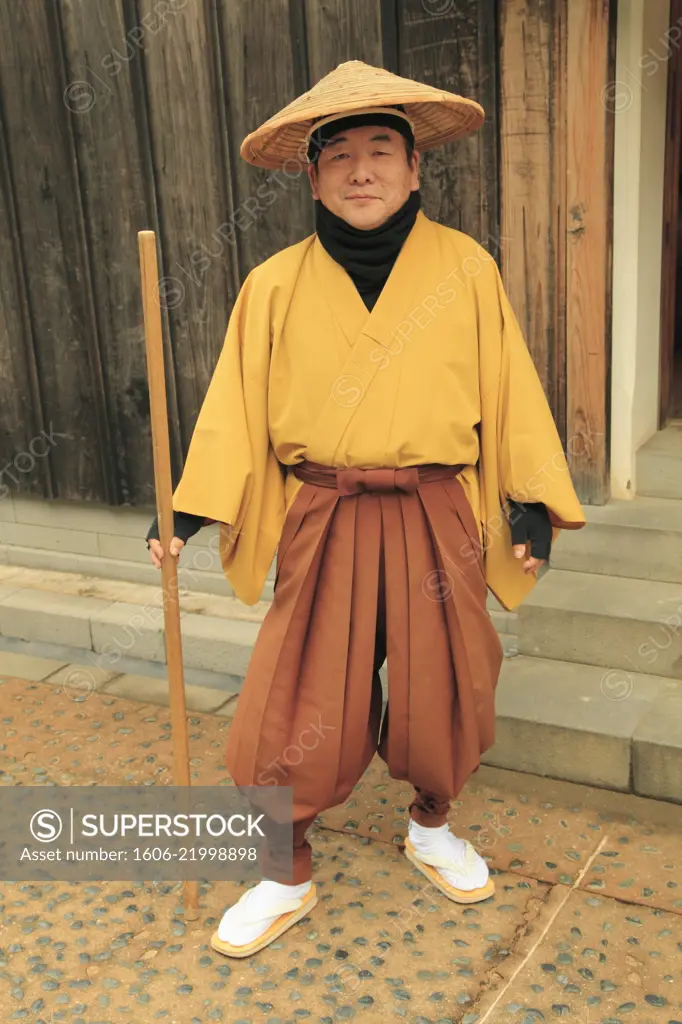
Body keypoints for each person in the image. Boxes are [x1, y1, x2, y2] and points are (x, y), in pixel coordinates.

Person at [146, 60, 586, 958]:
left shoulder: (466, 270)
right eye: (338, 155)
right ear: (311, 177)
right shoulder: (272, 285)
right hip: (328, 511)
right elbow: (234, 408)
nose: (360, 171)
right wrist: (187, 511)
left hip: (436, 511)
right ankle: (283, 866)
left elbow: (509, 394)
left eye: (380, 150)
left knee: (446, 681)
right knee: (297, 690)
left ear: (415, 168)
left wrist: (531, 505)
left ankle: (430, 820)